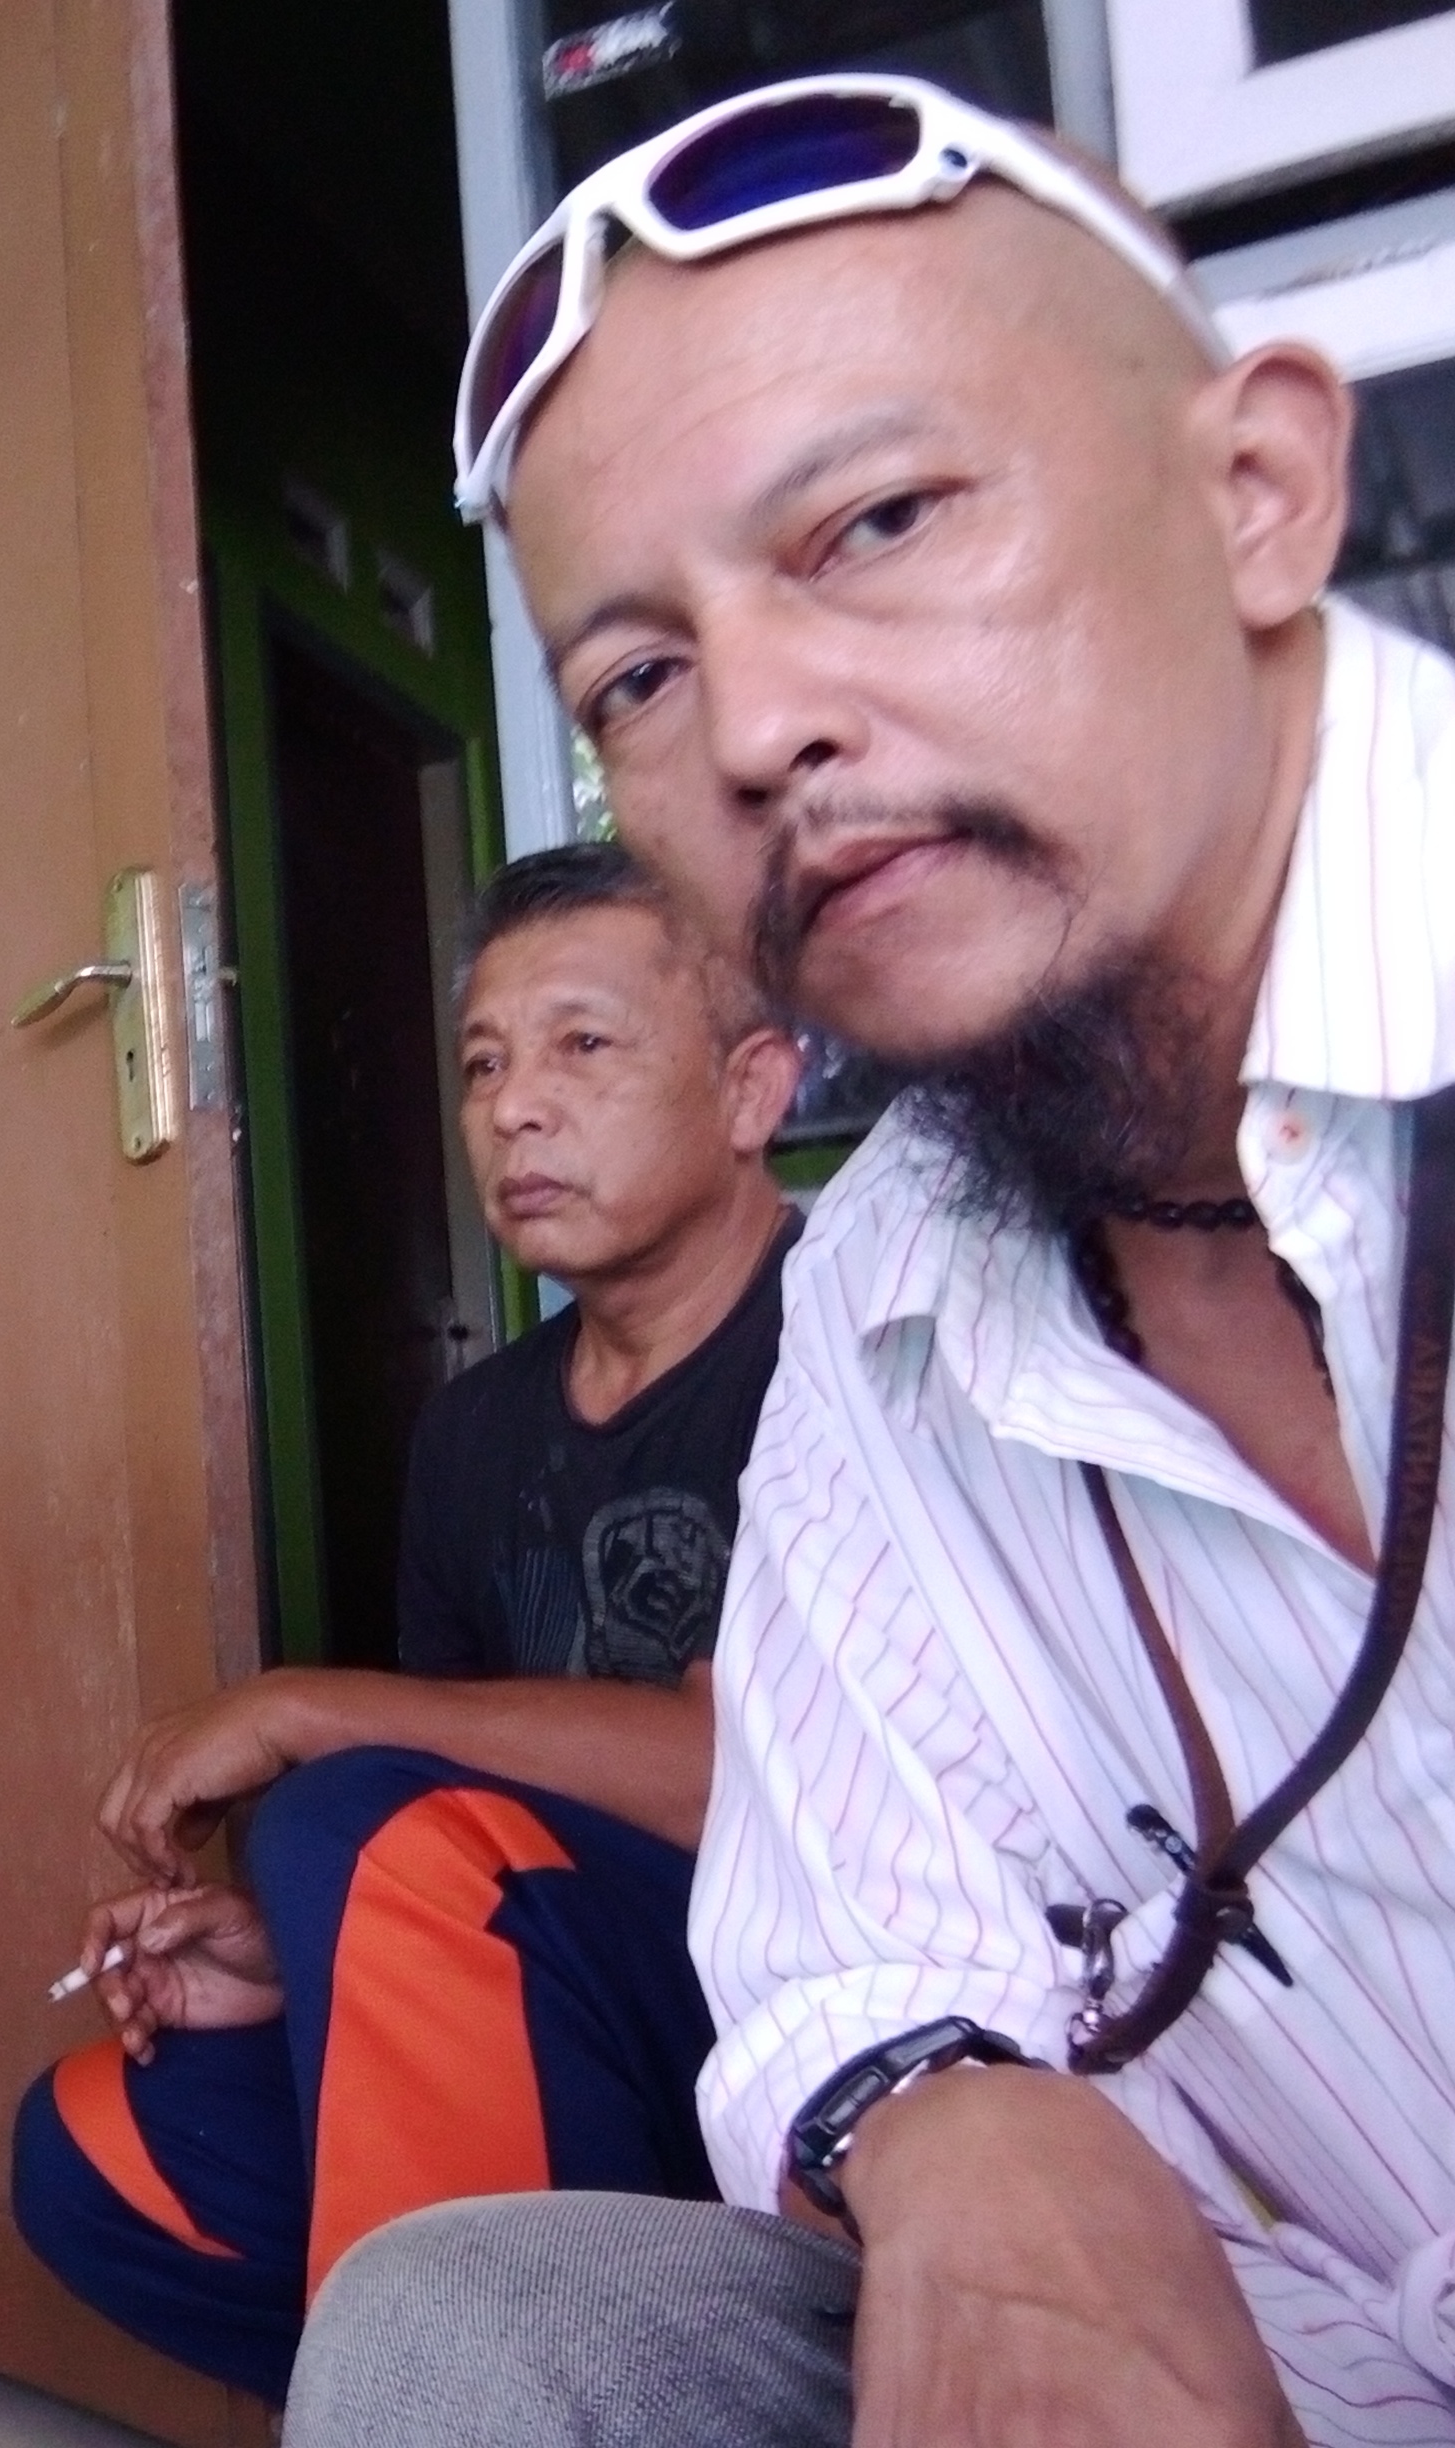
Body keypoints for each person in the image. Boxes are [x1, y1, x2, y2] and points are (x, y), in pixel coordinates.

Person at [288, 73, 1455, 2448]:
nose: (756, 728)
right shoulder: (887, 1272)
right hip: (1281, 2331)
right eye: (635, 676)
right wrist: (955, 2119)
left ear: (1256, 492)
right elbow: (838, 1922)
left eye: (880, 521)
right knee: (455, 2324)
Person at [9, 842, 803, 2402]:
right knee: (97, 2149)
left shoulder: (844, 1340)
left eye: (583, 1045)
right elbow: (466, 1845)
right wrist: (296, 1954)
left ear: (752, 1089)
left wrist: (311, 1707)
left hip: (814, 2021)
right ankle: (534, 2397)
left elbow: (758, 1780)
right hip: (584, 2035)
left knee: (344, 1809)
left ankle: (472, 2397)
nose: (513, 1108)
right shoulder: (475, 1430)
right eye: (485, 1064)